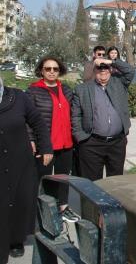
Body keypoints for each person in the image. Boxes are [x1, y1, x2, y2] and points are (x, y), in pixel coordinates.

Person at [0, 75, 53, 262]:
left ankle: (16, 240)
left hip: (20, 162)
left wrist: (46, 147)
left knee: (20, 203)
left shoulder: (18, 97)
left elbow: (38, 122)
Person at [26, 56, 78, 223]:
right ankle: (45, 211)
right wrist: (31, 139)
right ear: (41, 70)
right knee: (45, 179)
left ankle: (63, 207)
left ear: (59, 70)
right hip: (46, 144)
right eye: (48, 69)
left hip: (66, 143)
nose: (51, 72)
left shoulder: (67, 90)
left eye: (55, 69)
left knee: (63, 178)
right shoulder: (33, 90)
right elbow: (27, 119)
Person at [71, 57, 134, 181]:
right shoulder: (82, 89)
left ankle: (114, 201)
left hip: (117, 143)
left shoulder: (119, 83)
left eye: (106, 67)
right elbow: (75, 115)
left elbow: (130, 71)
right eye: (100, 67)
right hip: (92, 143)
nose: (103, 70)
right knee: (93, 183)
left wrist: (111, 61)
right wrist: (81, 137)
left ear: (111, 70)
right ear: (94, 70)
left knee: (116, 182)